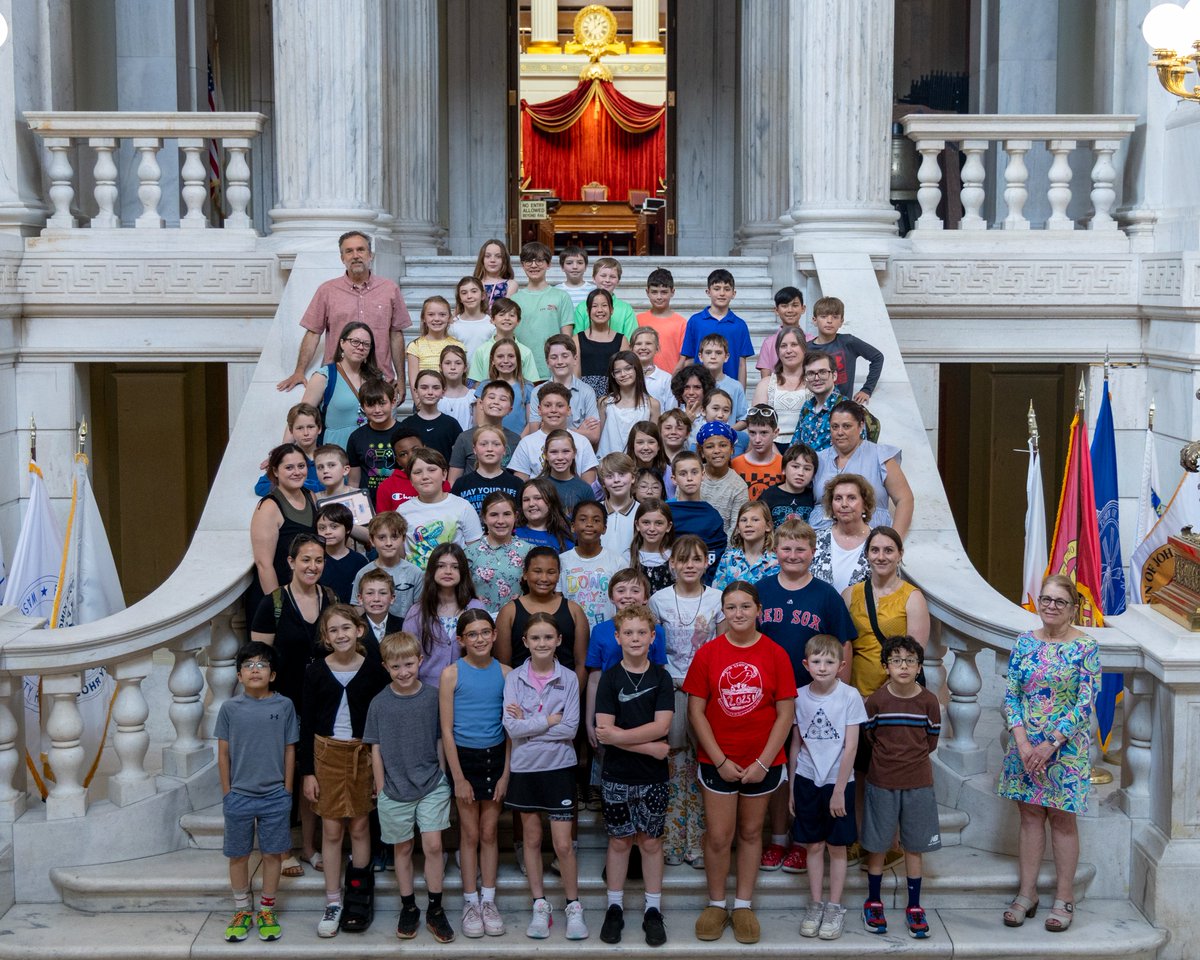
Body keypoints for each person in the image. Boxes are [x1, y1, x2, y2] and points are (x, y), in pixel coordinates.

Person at [684, 580, 797, 944]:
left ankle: (744, 904)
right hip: (719, 761)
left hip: (762, 763)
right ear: (724, 612)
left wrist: (764, 763)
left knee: (751, 834)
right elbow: (696, 711)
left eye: (745, 607)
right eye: (731, 607)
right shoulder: (708, 654)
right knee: (719, 836)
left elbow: (785, 714)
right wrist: (718, 759)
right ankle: (717, 904)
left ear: (758, 610)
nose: (738, 614)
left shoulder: (776, 654)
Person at [998, 575, 1100, 934]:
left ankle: (1064, 897)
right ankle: (1027, 894)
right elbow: (1011, 695)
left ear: (1073, 608)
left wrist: (1049, 743)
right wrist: (1024, 743)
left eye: (1060, 601)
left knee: (1061, 819)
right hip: (1024, 749)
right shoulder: (1024, 642)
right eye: (1046, 599)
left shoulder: (1086, 647)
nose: (1051, 606)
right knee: (1028, 816)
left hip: (1065, 751)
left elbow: (1085, 702)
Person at [755, 518, 856, 874]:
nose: (793, 555)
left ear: (813, 553)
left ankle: (802, 839)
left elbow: (844, 643)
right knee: (781, 768)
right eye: (786, 548)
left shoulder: (825, 594)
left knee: (806, 769)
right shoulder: (762, 590)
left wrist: (844, 693)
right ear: (775, 551)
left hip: (815, 698)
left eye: (801, 549)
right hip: (769, 698)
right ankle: (779, 837)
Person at [248, 533, 336, 877]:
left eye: (318, 560)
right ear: (290, 562)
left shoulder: (330, 598)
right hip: (281, 705)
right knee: (281, 777)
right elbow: (259, 662)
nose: (312, 566)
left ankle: (310, 847)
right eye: (305, 560)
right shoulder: (272, 604)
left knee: (312, 776)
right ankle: (281, 847)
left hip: (321, 703)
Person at [300, 605, 389, 937]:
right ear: (326, 637)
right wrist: (308, 772)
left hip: (363, 754)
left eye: (346, 628)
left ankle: (359, 893)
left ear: (359, 631)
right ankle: (333, 900)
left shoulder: (374, 671)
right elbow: (307, 723)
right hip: (327, 755)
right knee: (333, 830)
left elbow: (380, 722)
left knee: (361, 826)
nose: (341, 635)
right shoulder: (316, 672)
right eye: (333, 630)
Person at [364, 631, 455, 943]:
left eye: (408, 664)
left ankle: (435, 907)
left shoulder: (432, 697)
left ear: (420, 661)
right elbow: (374, 747)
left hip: (431, 783)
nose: (403, 672)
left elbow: (441, 737)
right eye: (395, 667)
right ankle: (408, 906)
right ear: (386, 667)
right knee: (402, 848)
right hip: (394, 788)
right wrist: (380, 787)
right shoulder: (379, 703)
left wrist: (442, 775)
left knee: (432, 845)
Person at [503, 612, 588, 940]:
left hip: (559, 768)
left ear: (559, 641)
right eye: (535, 638)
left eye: (548, 638)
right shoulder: (514, 679)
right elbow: (511, 728)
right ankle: (539, 905)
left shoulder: (568, 678)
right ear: (525, 642)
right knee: (533, 840)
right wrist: (547, 720)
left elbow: (570, 729)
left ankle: (573, 906)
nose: (542, 643)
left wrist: (531, 724)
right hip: (525, 769)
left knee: (563, 844)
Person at [594, 604, 674, 947]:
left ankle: (652, 910)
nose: (636, 638)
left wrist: (620, 739)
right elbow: (603, 731)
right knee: (619, 841)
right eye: (629, 633)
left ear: (652, 637)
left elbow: (662, 725)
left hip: (653, 778)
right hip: (617, 776)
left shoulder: (661, 677)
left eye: (642, 632)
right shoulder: (610, 678)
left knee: (651, 842)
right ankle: (614, 907)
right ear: (618, 637)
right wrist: (650, 747)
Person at [649, 535, 724, 869]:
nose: (690, 565)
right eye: (683, 560)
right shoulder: (659, 600)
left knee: (702, 765)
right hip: (672, 690)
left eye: (696, 559)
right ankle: (673, 837)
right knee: (675, 766)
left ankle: (698, 841)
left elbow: (721, 649)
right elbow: (654, 650)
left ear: (706, 563)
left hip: (706, 693)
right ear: (672, 564)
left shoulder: (718, 599)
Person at [217, 642, 298, 943]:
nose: (254, 669)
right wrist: (228, 792)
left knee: (272, 853)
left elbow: (290, 750)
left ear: (273, 674)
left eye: (261, 665)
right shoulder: (229, 709)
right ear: (239, 675)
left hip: (275, 795)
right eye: (248, 665)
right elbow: (223, 754)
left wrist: (287, 790)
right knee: (238, 854)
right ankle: (241, 910)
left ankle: (267, 909)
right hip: (239, 795)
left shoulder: (284, 705)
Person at [861, 635, 941, 939]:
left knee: (915, 845)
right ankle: (873, 900)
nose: (903, 666)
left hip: (918, 782)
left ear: (919, 666)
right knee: (879, 844)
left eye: (910, 660)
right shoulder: (877, 701)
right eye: (896, 660)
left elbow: (931, 740)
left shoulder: (929, 701)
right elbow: (871, 736)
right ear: (885, 666)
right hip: (882, 780)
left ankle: (915, 906)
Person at [438, 610, 511, 938]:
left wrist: (506, 773)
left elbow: (512, 730)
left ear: (494, 635)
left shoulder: (507, 674)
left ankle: (488, 900)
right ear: (461, 640)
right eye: (472, 634)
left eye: (485, 632)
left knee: (489, 832)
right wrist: (458, 778)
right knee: (468, 833)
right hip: (464, 759)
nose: (480, 639)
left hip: (495, 758)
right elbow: (446, 730)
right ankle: (469, 901)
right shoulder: (451, 674)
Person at [789, 634, 865, 942]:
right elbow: (795, 745)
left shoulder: (849, 696)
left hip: (838, 781)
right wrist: (793, 787)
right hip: (807, 778)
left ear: (841, 665)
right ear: (806, 664)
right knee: (814, 845)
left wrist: (837, 790)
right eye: (817, 661)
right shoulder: (798, 696)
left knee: (836, 847)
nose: (822, 667)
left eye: (829, 662)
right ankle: (816, 904)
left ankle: (835, 906)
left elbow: (851, 747)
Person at [277, 231, 411, 398]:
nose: (355, 255)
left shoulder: (390, 289)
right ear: (342, 258)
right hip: (338, 381)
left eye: (360, 250)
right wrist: (299, 371)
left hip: (381, 380)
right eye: (349, 251)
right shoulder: (327, 290)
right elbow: (313, 333)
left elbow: (396, 334)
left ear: (370, 255)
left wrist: (401, 377)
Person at [843, 526, 930, 699]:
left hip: (896, 696)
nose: (881, 557)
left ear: (900, 554)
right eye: (875, 550)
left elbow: (913, 656)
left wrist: (878, 699)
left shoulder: (913, 598)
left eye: (888, 550)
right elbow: (842, 648)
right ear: (867, 554)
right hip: (854, 694)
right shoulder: (849, 594)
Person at [808, 401, 914, 536]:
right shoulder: (818, 459)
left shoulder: (880, 455)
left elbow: (905, 499)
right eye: (835, 427)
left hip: (871, 539)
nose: (840, 432)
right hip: (821, 539)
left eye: (846, 426)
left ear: (861, 425)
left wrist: (894, 541)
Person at [495, 547, 590, 684]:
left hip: (565, 697)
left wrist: (571, 699)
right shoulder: (509, 612)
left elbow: (582, 664)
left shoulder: (574, 611)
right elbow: (504, 666)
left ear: (558, 575)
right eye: (537, 571)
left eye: (551, 572)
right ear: (525, 574)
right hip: (520, 698)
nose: (544, 578)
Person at [402, 542, 486, 685]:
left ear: (463, 572)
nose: (448, 571)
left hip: (467, 689)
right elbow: (406, 655)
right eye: (441, 566)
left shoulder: (476, 607)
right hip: (427, 690)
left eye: (455, 567)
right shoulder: (417, 611)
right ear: (432, 570)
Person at [296, 321, 383, 452]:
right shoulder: (325, 376)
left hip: (369, 450)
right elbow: (300, 416)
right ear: (342, 343)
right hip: (336, 452)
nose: (360, 347)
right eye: (355, 341)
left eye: (366, 344)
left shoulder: (375, 378)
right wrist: (282, 451)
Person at [250, 444, 318, 602]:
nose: (297, 472)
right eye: (289, 467)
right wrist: (278, 607)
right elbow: (264, 564)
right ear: (275, 471)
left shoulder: (311, 496)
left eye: (301, 466)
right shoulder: (268, 507)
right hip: (277, 595)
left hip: (305, 593)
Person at [396, 448, 483, 568]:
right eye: (417, 472)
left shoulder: (463, 507)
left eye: (432, 470)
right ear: (410, 480)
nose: (425, 476)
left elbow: (476, 553)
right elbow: (399, 555)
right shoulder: (402, 511)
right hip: (417, 582)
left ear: (444, 474)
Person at [509, 382, 599, 485]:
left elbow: (589, 487)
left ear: (569, 410)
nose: (553, 410)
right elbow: (520, 485)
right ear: (539, 410)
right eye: (547, 405)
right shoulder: (526, 443)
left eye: (560, 405)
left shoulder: (582, 442)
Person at [678, 269, 752, 386]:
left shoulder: (739, 325)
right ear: (708, 292)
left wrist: (741, 393)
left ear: (733, 293)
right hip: (700, 387)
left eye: (727, 289)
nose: (722, 293)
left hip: (729, 388)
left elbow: (742, 363)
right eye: (717, 289)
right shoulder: (695, 321)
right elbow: (689, 359)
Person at [512, 241, 575, 379]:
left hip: (552, 372)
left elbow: (567, 338)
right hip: (521, 372)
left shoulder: (561, 297)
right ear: (522, 265)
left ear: (549, 264)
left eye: (540, 261)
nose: (534, 265)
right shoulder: (514, 300)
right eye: (528, 261)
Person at [558, 501, 624, 628]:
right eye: (583, 519)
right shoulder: (562, 561)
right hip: (571, 632)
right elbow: (556, 600)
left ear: (604, 528)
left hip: (608, 633)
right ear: (573, 526)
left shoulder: (618, 562)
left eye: (596, 520)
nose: (589, 524)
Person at [808, 296, 884, 406]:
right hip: (814, 407)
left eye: (835, 317)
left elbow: (877, 357)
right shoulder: (806, 348)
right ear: (814, 320)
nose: (829, 321)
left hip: (842, 408)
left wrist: (867, 389)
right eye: (823, 316)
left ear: (841, 321)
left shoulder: (848, 342)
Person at [466, 491, 533, 615]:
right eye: (494, 515)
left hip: (518, 619)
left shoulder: (529, 551)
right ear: (484, 518)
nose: (500, 521)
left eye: (507, 514)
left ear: (516, 516)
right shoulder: (470, 553)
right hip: (480, 623)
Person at [530, 334, 602, 445]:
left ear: (575, 359)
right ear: (547, 362)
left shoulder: (587, 391)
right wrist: (579, 431)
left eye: (565, 356)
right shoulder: (537, 392)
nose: (560, 361)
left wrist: (550, 428)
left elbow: (594, 436)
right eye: (554, 357)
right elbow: (534, 434)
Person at [350, 511, 424, 619]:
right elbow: (358, 609)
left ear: (403, 539)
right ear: (372, 540)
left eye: (394, 537)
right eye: (381, 538)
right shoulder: (363, 573)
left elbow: (419, 611)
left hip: (406, 632)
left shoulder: (415, 572)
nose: (388, 543)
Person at [667, 450, 727, 581]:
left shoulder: (712, 516)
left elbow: (717, 557)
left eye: (694, 472)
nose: (689, 478)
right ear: (674, 479)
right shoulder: (665, 513)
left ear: (703, 475)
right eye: (683, 474)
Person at [812, 474, 875, 594]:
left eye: (851, 498)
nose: (844, 504)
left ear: (865, 505)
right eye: (838, 498)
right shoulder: (816, 540)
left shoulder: (879, 542)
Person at [447, 381, 521, 481]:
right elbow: (453, 481)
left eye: (503, 399)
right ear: (481, 404)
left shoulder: (516, 440)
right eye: (491, 397)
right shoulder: (464, 437)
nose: (496, 402)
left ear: (510, 409)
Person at [752, 328, 808, 452]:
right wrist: (776, 457)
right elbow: (757, 425)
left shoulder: (814, 383)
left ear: (804, 348)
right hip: (771, 449)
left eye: (794, 345)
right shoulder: (765, 384)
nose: (789, 350)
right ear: (778, 351)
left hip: (807, 449)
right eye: (783, 346)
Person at [346, 377, 404, 499]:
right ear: (362, 406)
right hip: (369, 504)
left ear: (393, 403)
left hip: (400, 502)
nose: (377, 410)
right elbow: (353, 482)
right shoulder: (356, 437)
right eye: (371, 405)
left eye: (382, 404)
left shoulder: (406, 434)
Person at [450, 424, 524, 515]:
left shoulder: (516, 484)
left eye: (496, 444)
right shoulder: (461, 484)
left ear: (504, 450)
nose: (489, 449)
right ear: (474, 449)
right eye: (483, 444)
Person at [597, 350, 660, 458]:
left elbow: (653, 440)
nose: (623, 374)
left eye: (628, 369)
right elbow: (599, 437)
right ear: (613, 375)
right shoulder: (605, 403)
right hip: (608, 463)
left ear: (637, 369)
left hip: (638, 464)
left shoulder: (652, 404)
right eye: (617, 371)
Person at [471, 334, 536, 436]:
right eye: (500, 356)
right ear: (492, 360)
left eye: (511, 356)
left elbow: (531, 422)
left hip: (518, 443)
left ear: (518, 360)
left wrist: (519, 441)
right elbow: (479, 422)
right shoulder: (484, 386)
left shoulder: (527, 387)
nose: (506, 361)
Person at [466, 299, 540, 387]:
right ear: (492, 319)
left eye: (512, 315)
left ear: (518, 321)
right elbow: (475, 382)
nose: (507, 318)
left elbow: (532, 384)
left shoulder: (525, 352)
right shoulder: (481, 350)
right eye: (501, 315)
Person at [258, 403, 324, 496]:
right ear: (291, 430)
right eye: (299, 428)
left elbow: (341, 482)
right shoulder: (286, 458)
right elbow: (261, 486)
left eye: (310, 427)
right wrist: (294, 486)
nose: (306, 433)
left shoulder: (329, 456)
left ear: (319, 428)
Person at [575, 288, 630, 400]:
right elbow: (575, 376)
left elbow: (625, 373)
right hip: (585, 397)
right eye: (595, 306)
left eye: (604, 305)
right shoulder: (577, 339)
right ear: (588, 311)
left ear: (612, 310)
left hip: (614, 396)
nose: (600, 310)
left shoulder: (622, 340)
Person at [698, 421, 749, 537]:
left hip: (722, 549)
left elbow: (736, 528)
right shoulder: (692, 476)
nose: (717, 451)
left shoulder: (739, 487)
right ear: (702, 452)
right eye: (710, 446)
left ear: (732, 449)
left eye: (723, 445)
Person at [713, 501, 779, 590]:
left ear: (768, 526)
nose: (748, 524)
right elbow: (718, 594)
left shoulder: (777, 561)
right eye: (743, 520)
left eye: (755, 520)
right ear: (738, 527)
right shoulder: (728, 558)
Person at [399, 369, 462, 461]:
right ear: (416, 391)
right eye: (424, 388)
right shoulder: (407, 424)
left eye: (436, 388)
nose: (430, 392)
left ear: (443, 392)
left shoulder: (451, 424)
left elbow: (459, 458)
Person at [791, 350, 846, 452]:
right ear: (805, 379)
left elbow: (858, 454)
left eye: (823, 372)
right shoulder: (807, 407)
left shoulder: (846, 409)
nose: (816, 378)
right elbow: (794, 447)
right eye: (811, 373)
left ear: (834, 376)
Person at [570, 256, 637, 338]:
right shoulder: (582, 307)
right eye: (603, 275)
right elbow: (577, 338)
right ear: (594, 278)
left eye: (612, 277)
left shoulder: (626, 309)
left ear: (618, 281)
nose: (607, 280)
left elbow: (631, 339)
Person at [636, 267, 687, 373]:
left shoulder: (681, 323)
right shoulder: (638, 320)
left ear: (672, 292)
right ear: (647, 292)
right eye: (654, 292)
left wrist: (676, 374)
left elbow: (684, 357)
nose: (659, 297)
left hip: (671, 379)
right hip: (641, 378)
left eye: (664, 292)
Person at [405, 295, 463, 386]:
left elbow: (460, 380)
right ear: (423, 318)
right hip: (424, 398)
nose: (436, 319)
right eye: (431, 314)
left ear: (449, 318)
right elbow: (414, 385)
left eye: (442, 315)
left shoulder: (458, 345)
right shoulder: (415, 346)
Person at [316, 502, 367, 603]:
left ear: (347, 529)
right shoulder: (316, 560)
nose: (327, 532)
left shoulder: (360, 562)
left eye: (334, 527)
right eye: (322, 528)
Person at [538, 429, 596, 515]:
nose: (560, 457)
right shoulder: (537, 487)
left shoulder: (584, 489)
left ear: (574, 453)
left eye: (566, 451)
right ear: (546, 455)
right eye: (554, 452)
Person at [697, 334, 748, 430]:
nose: (713, 356)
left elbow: (745, 418)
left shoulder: (735, 386)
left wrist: (727, 431)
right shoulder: (694, 386)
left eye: (718, 353)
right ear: (700, 356)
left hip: (725, 441)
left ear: (726, 357)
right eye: (708, 352)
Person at [731, 407, 783, 499]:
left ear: (775, 433)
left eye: (763, 433)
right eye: (752, 433)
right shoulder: (735, 464)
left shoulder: (783, 465)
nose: (757, 440)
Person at [760, 443, 818, 527]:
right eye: (795, 466)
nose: (800, 473)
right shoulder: (769, 495)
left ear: (813, 475)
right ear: (783, 469)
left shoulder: (813, 496)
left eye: (807, 469)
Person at [756, 286, 806, 376]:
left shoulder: (811, 340)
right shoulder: (769, 343)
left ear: (803, 309)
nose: (790, 310)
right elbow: (765, 379)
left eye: (795, 305)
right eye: (784, 306)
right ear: (776, 310)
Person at [514, 477, 575, 551]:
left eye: (538, 498)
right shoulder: (513, 533)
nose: (531, 504)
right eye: (526, 500)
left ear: (551, 502)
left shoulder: (564, 537)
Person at [356, 568, 404, 660]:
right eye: (370, 593)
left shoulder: (403, 625)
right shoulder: (354, 627)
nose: (376, 599)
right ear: (360, 599)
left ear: (392, 598)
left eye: (383, 593)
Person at [629, 498, 675, 595]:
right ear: (637, 525)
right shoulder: (628, 557)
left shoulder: (675, 558)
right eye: (646, 523)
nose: (652, 529)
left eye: (659, 523)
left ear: (668, 527)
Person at [598, 452, 638, 555]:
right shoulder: (596, 511)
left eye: (622, 474)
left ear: (633, 477)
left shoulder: (642, 511)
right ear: (603, 482)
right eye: (609, 476)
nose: (616, 480)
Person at [629, 326, 676, 412]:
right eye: (638, 344)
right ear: (631, 348)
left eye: (648, 343)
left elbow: (671, 411)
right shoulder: (626, 377)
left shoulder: (666, 379)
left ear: (657, 348)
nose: (643, 347)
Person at [449, 276, 492, 366]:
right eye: (464, 293)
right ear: (460, 298)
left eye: (474, 291)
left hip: (486, 377)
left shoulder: (492, 324)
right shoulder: (454, 325)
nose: (469, 296)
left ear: (483, 295)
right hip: (461, 377)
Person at [625, 421, 672, 499]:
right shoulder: (623, 471)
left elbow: (671, 501)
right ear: (632, 445)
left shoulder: (668, 473)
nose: (646, 447)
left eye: (651, 442)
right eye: (640, 442)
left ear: (659, 446)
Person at [436, 344, 474, 431]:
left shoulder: (473, 397)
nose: (453, 367)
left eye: (458, 363)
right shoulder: (435, 397)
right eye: (447, 363)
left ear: (465, 368)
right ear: (440, 367)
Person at [474, 238, 518, 309]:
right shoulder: (474, 284)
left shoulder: (510, 284)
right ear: (482, 260)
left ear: (504, 260)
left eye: (498, 256)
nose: (492, 260)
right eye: (487, 256)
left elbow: (506, 311)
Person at [670, 363, 714, 428]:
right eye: (686, 387)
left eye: (697, 387)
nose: (691, 392)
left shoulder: (714, 415)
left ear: (706, 389)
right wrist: (687, 422)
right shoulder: (672, 416)